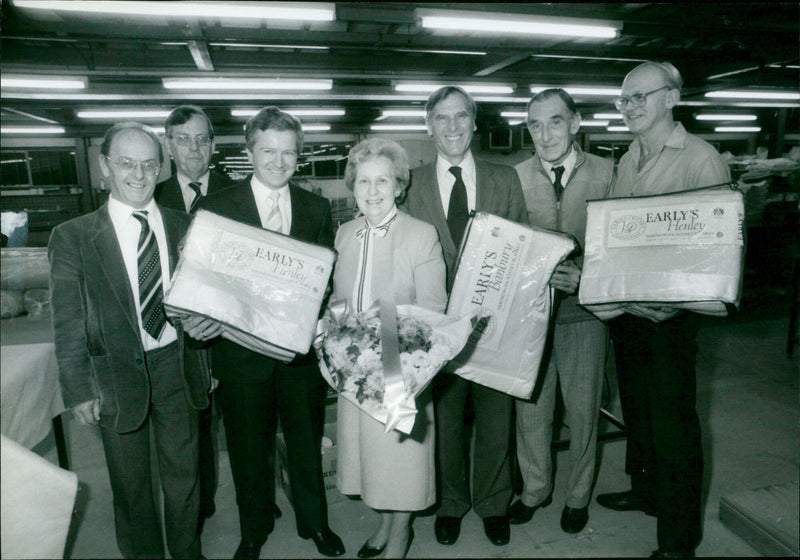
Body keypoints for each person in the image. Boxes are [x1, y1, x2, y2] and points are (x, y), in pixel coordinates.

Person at [49, 122, 211, 559]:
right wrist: (79, 388)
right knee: (131, 487)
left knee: (185, 480)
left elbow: (207, 302)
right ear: (105, 166)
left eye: (148, 164)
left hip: (177, 365)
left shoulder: (187, 226)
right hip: (114, 377)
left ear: (161, 168)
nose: (138, 175)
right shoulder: (74, 237)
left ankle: (187, 552)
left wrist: (205, 343)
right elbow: (67, 322)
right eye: (126, 163)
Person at [194, 107, 344, 560]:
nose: (279, 162)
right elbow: (204, 279)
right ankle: (254, 529)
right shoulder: (217, 206)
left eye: (289, 153)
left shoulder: (317, 208)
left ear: (299, 156)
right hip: (240, 355)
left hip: (298, 353)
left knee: (305, 442)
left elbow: (325, 278)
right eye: (268, 151)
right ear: (249, 152)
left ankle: (314, 524)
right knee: (247, 451)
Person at [595, 61, 731, 558]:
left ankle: (678, 542)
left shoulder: (700, 159)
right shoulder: (627, 158)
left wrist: (673, 302)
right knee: (639, 413)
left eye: (639, 97)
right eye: (623, 99)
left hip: (671, 321)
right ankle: (646, 492)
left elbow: (717, 252)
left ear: (672, 97)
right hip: (628, 313)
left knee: (674, 427)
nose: (629, 107)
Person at [400, 85, 528, 547]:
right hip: (436, 328)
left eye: (461, 117)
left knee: (496, 421)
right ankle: (452, 503)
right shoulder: (410, 183)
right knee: (446, 423)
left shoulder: (504, 178)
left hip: (494, 325)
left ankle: (494, 503)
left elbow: (521, 248)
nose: (452, 127)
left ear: (475, 123)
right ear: (428, 126)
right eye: (442, 118)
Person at [331, 138, 446, 559]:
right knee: (371, 459)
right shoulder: (344, 234)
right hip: (354, 367)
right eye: (364, 180)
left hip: (401, 367)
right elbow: (340, 298)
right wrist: (335, 325)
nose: (373, 190)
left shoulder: (420, 234)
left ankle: (400, 532)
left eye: (383, 180)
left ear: (400, 186)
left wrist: (389, 347)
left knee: (401, 458)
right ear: (353, 186)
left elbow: (434, 310)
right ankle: (383, 521)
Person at [510, 88, 613, 534]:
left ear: (574, 124)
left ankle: (577, 496)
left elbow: (622, 245)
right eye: (535, 124)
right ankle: (535, 490)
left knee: (584, 409)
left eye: (554, 121)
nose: (545, 133)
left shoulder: (608, 174)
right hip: (530, 316)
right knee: (531, 408)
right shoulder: (513, 177)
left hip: (584, 315)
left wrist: (585, 276)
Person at [155, 104, 234, 534]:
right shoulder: (151, 195)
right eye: (183, 139)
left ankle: (253, 496)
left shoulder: (238, 192)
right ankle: (199, 503)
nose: (194, 149)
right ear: (168, 146)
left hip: (231, 333)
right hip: (177, 336)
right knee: (193, 428)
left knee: (243, 422)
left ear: (213, 145)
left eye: (202, 139)